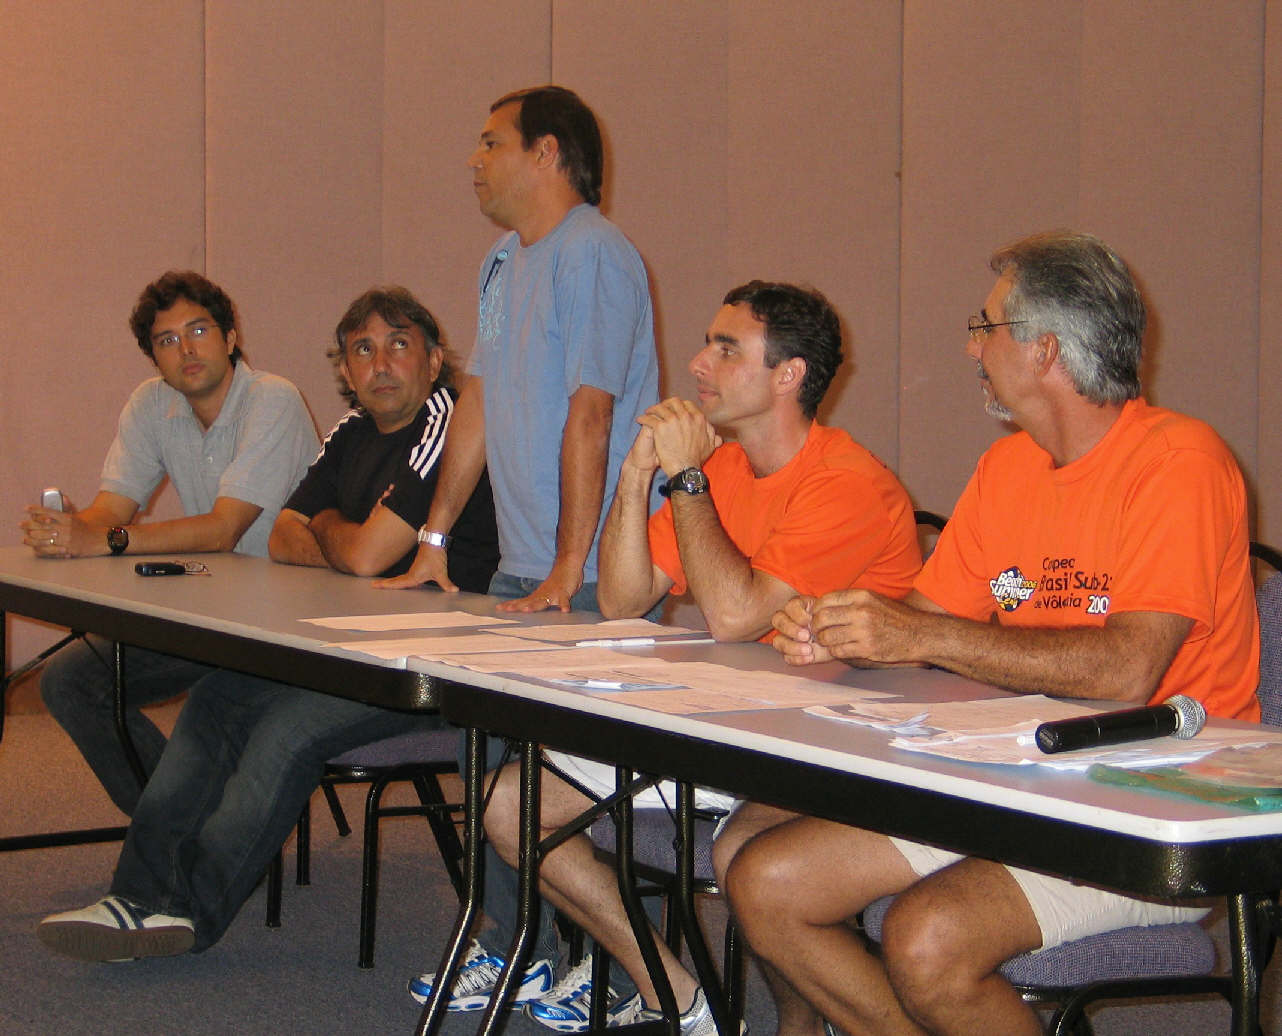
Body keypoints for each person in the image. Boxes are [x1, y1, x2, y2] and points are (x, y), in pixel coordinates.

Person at [720, 231, 1260, 1036]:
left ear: (1044, 349)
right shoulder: (1006, 470)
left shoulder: (1179, 461)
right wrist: (841, 629)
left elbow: (1127, 670)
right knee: (766, 882)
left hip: (1155, 805)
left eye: (986, 326)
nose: (972, 347)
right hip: (1018, 775)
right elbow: (928, 624)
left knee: (929, 936)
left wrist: (914, 636)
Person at [484, 282, 923, 1034]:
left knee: (755, 864)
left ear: (789, 376)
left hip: (834, 748)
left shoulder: (847, 484)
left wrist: (686, 477)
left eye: (727, 349)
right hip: (728, 726)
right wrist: (636, 476)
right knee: (511, 805)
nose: (698, 363)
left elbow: (736, 614)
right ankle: (674, 993)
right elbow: (624, 598)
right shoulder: (720, 470)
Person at [36, 286, 499, 962]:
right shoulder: (352, 432)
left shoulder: (445, 424)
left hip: (430, 662)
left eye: (399, 345)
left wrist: (335, 535)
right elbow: (284, 534)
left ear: (434, 361)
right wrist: (347, 544)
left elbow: (367, 553)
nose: (379, 365)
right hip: (345, 641)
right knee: (216, 700)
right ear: (344, 368)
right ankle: (138, 895)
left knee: (284, 733)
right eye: (361, 350)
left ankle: (189, 908)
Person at [394, 84, 659, 1013]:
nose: (473, 160)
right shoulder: (500, 263)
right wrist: (434, 539)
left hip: (586, 578)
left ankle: (593, 962)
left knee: (563, 785)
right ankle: (524, 948)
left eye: (489, 141)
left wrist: (566, 569)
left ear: (548, 153)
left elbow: (592, 416)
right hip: (518, 567)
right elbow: (475, 403)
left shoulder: (598, 254)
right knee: (499, 773)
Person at [19, 271, 317, 816]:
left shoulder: (273, 400)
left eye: (199, 330)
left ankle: (194, 839)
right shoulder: (151, 404)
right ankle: (182, 831)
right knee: (70, 681)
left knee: (206, 701)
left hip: (284, 625)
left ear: (230, 338)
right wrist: (65, 534)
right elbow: (111, 511)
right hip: (208, 614)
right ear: (154, 357)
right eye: (166, 340)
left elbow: (224, 530)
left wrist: (101, 540)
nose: (186, 349)